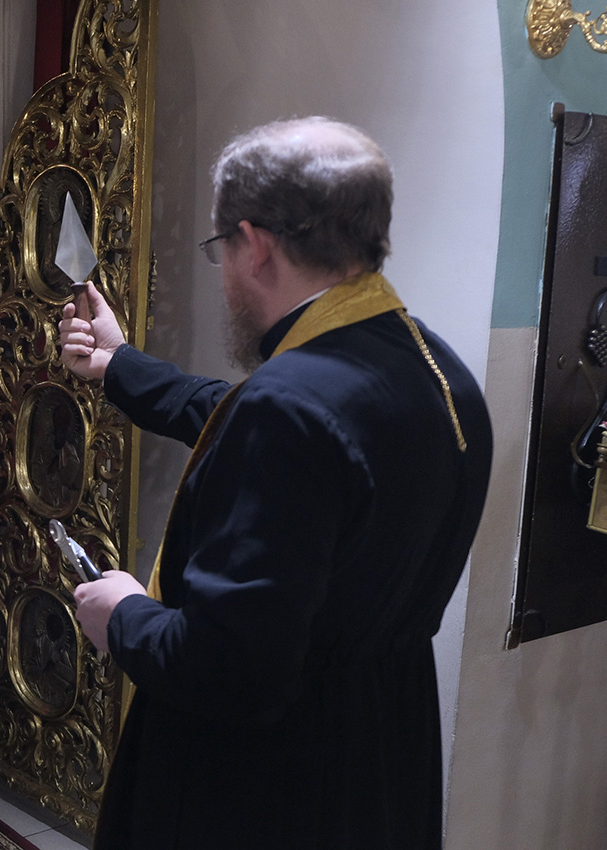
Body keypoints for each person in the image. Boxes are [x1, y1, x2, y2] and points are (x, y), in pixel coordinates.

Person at [57, 117, 493, 850]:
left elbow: (230, 667)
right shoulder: (437, 369)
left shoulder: (288, 407)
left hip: (273, 784)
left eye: (220, 248)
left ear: (254, 244)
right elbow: (249, 420)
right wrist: (118, 364)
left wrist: (123, 614)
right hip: (385, 753)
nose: (224, 271)